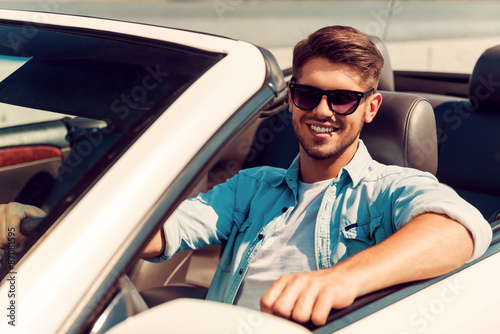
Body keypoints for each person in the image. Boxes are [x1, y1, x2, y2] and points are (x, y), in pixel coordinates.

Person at [1, 26, 493, 326]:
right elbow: (157, 231)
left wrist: (341, 280)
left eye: (342, 98)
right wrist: (50, 226)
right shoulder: (253, 186)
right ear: (293, 99)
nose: (323, 110)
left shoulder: (386, 188)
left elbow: (458, 228)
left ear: (370, 108)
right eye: (308, 95)